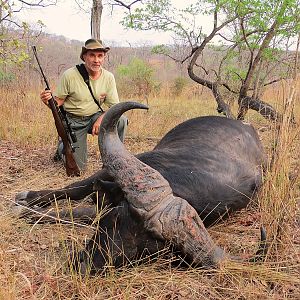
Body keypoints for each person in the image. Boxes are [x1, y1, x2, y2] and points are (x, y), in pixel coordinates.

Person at [40, 38, 128, 171]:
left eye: (100, 56)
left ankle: (116, 159)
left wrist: (100, 119)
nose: (96, 60)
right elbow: (57, 103)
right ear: (84, 57)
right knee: (78, 169)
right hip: (73, 121)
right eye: (92, 55)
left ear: (104, 57)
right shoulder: (69, 75)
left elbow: (114, 107)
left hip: (94, 117)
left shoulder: (109, 77)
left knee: (121, 120)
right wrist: (48, 101)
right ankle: (62, 148)